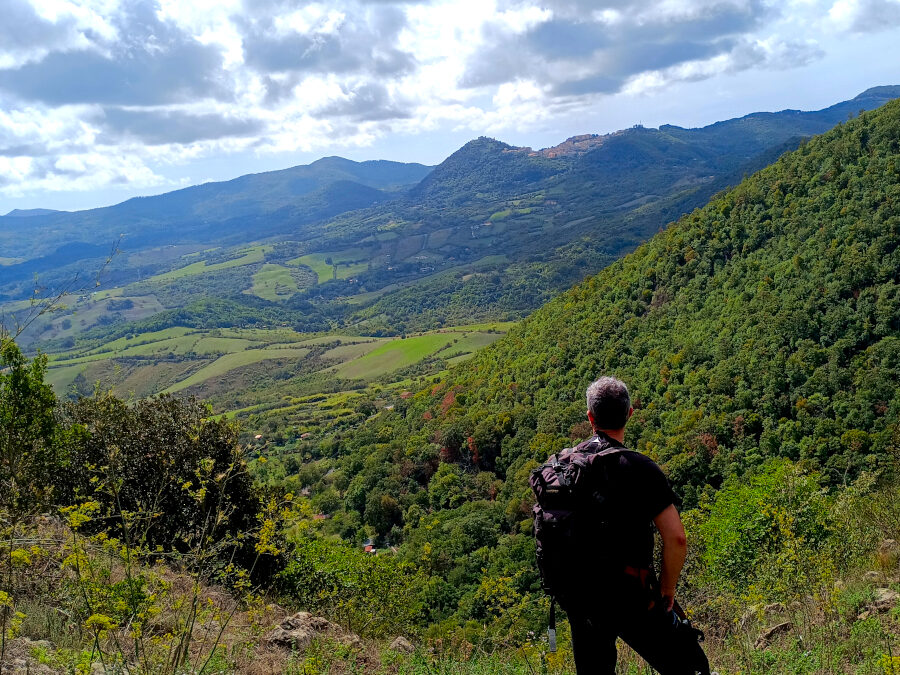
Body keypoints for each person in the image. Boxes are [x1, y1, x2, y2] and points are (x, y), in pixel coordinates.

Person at [557, 376, 709, 674]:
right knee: (690, 668)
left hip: (581, 596)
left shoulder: (565, 465)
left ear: (590, 418)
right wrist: (667, 592)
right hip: (633, 595)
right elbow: (676, 538)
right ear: (629, 414)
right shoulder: (640, 468)